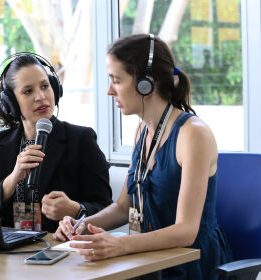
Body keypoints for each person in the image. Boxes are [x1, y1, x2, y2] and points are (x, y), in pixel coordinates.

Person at [54, 34, 232, 279]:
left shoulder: (193, 134)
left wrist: (119, 245)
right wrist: (83, 224)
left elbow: (186, 232)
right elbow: (122, 208)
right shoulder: (142, 131)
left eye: (116, 80)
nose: (109, 91)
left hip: (190, 262)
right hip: (149, 259)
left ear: (146, 83)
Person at [0, 53, 112, 233]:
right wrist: (12, 180)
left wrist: (76, 209)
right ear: (10, 102)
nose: (41, 96)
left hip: (61, 250)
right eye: (28, 91)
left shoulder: (82, 139)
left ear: (55, 89)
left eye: (45, 86)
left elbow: (106, 208)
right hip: (7, 253)